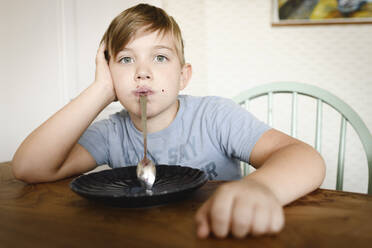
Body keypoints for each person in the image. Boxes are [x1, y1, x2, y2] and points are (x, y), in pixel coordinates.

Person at [12, 3, 325, 239]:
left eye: (159, 57)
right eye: (125, 59)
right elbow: (30, 167)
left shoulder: (215, 117)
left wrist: (261, 189)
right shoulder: (112, 133)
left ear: (183, 76)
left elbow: (304, 157)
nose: (142, 71)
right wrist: (100, 91)